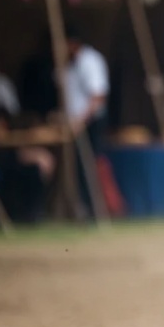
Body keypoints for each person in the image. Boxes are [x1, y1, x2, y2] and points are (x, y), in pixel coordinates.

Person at [64, 25, 110, 215]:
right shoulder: (70, 64)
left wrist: (81, 120)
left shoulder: (89, 61)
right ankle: (83, 208)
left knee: (90, 166)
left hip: (89, 122)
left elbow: (97, 96)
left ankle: (96, 209)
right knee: (79, 168)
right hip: (77, 123)